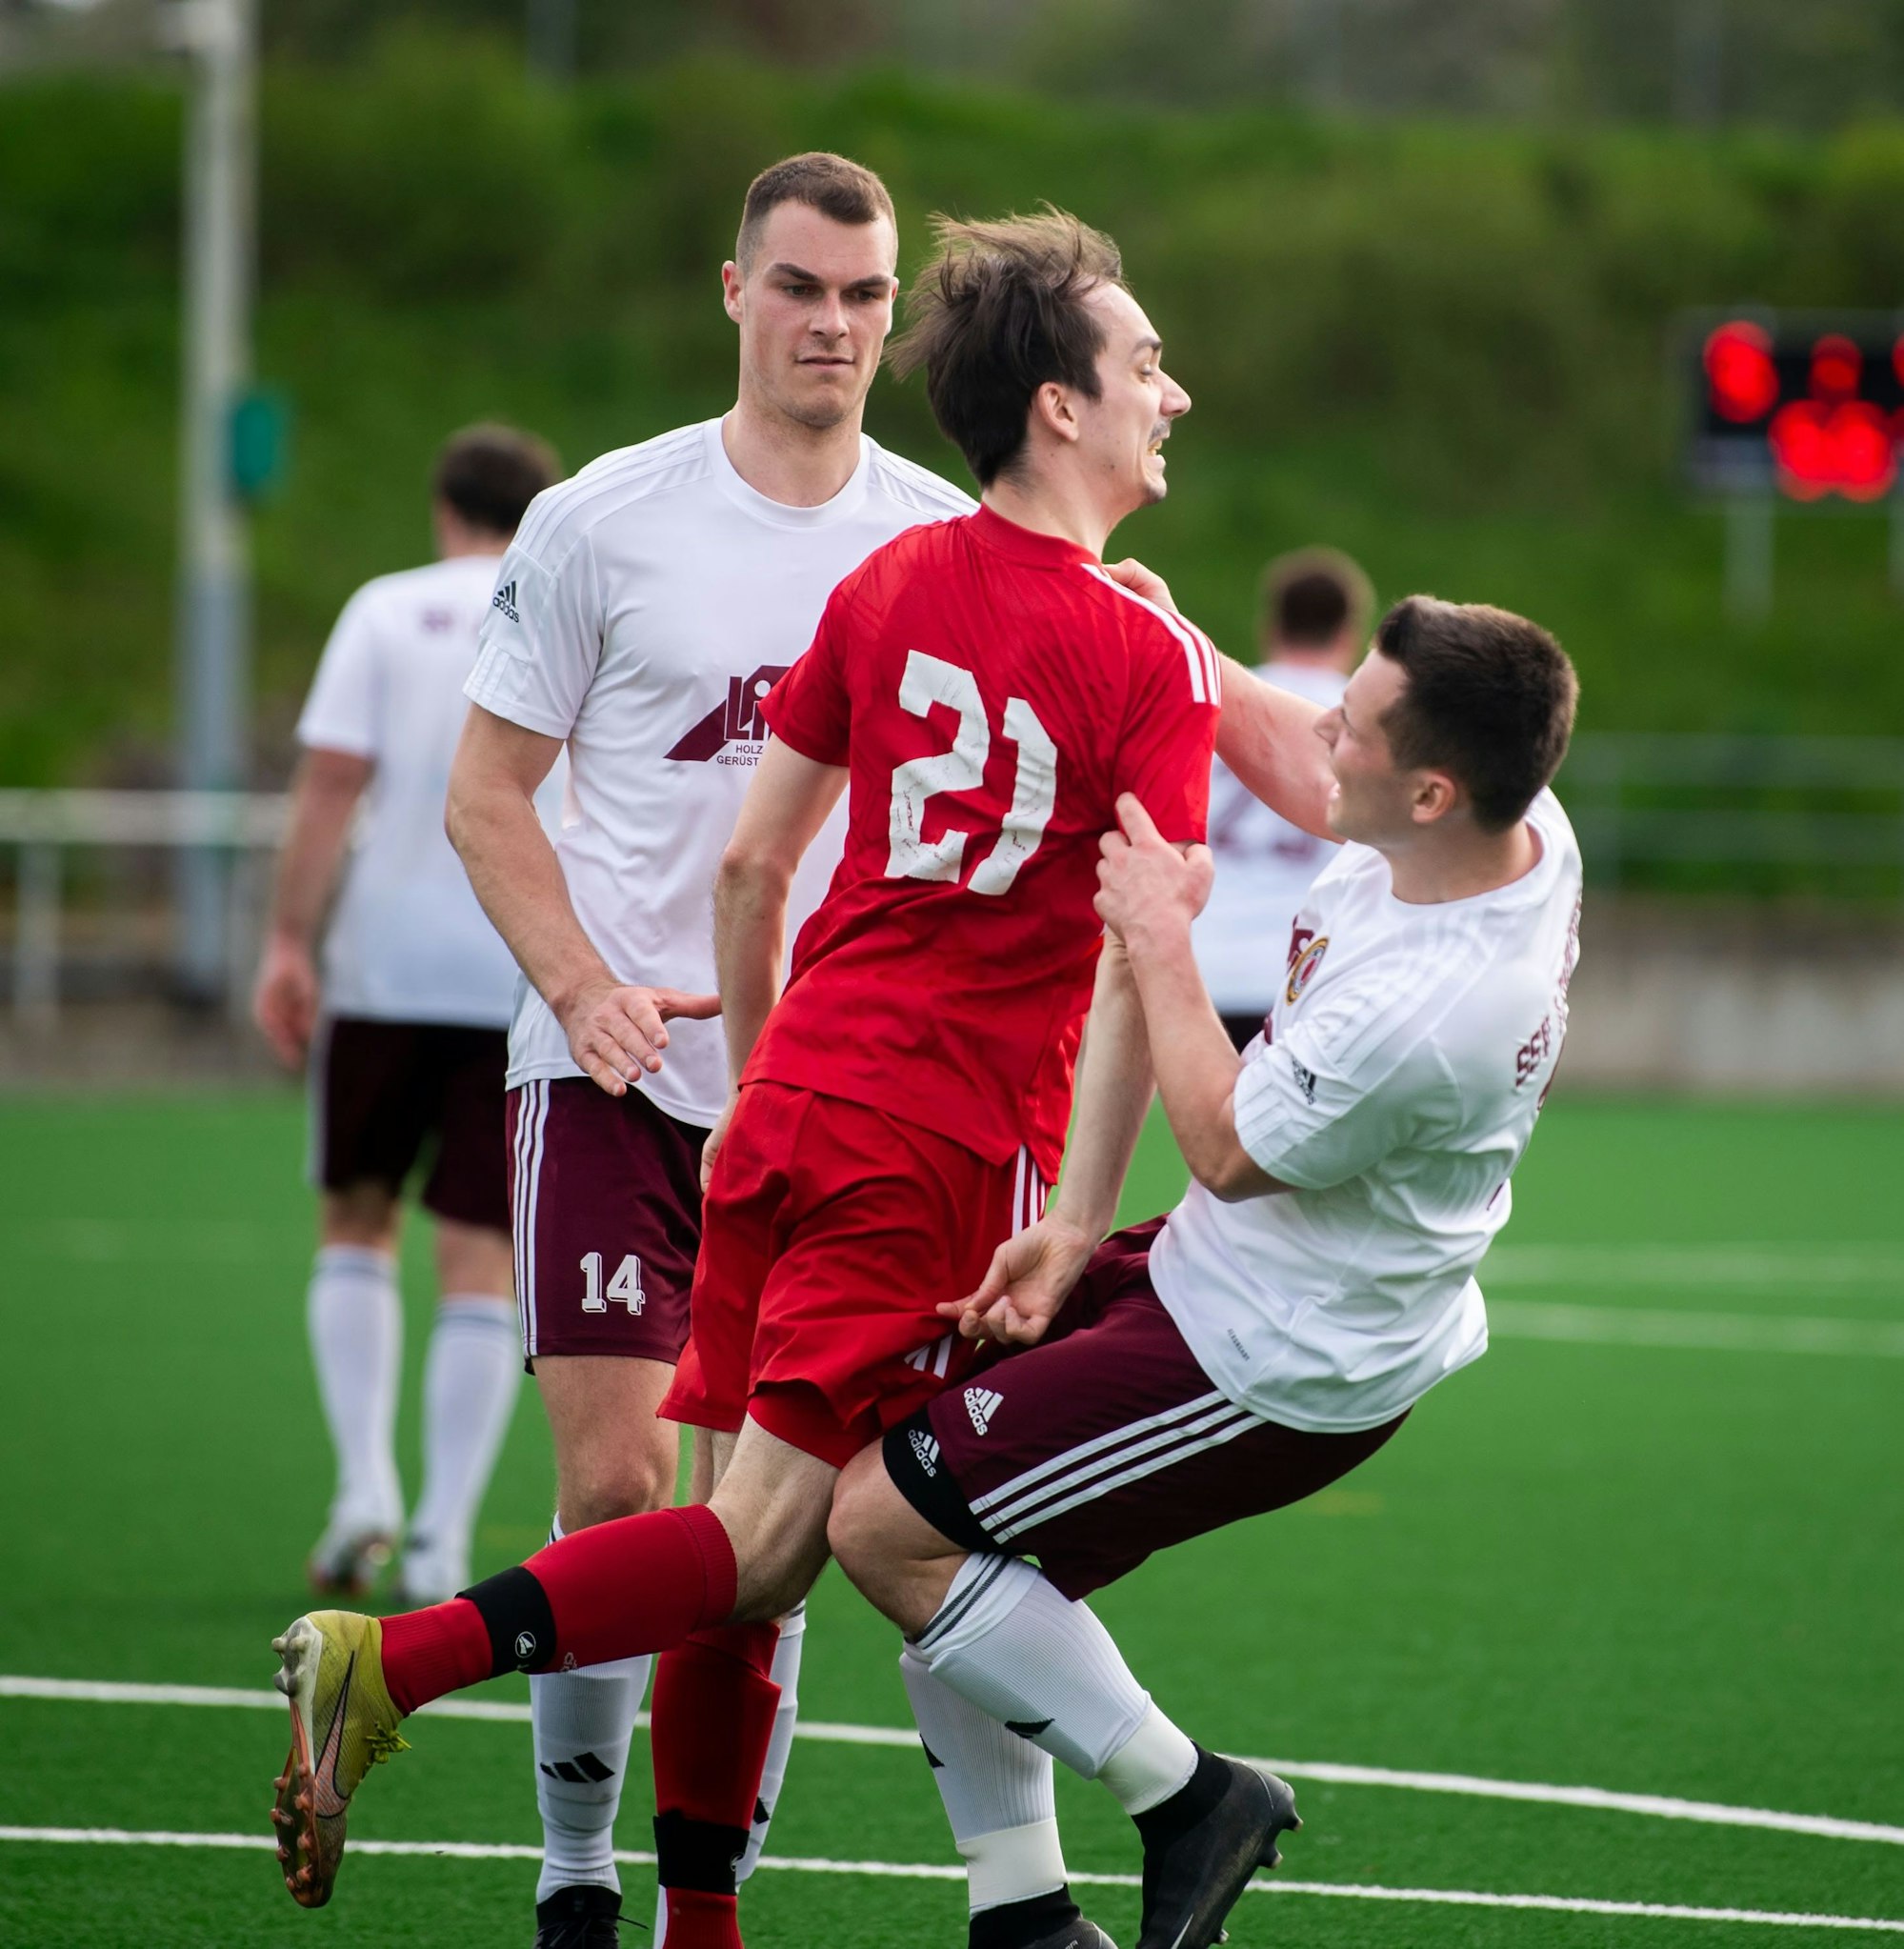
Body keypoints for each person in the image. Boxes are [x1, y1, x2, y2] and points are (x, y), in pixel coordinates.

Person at [262, 209, 1335, 1949]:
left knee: (755, 1526)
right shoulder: (1132, 651)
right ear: (1056, 406)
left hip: (786, 1089)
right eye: (1143, 364)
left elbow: (753, 874)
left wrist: (762, 1089)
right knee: (782, 1539)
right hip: (932, 1132)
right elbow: (1145, 950)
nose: (1173, 393)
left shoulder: (891, 575)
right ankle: (391, 1662)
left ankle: (755, 1919)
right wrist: (1070, 1214)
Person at [825, 593, 1583, 1949]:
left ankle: (1190, 1795)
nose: (1318, 735)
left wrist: (1161, 934)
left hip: (1265, 1358)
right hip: (1223, 1281)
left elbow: (1227, 1146)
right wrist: (1169, 638)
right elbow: (1290, 750)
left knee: (887, 1525)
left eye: (1348, 725)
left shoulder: (1431, 1006)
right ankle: (1024, 1921)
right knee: (970, 1572)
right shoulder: (1500, 825)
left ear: (1425, 787)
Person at [439, 154, 972, 1949]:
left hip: (831, 1105)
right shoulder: (600, 519)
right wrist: (582, 984)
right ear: (728, 290)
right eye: (801, 286)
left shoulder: (931, 542)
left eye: (864, 296)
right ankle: (572, 1874)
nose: (832, 323)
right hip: (608, 1079)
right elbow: (485, 795)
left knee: (772, 1530)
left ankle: (700, 1898)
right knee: (614, 1487)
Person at [252, 423, 561, 1606]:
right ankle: (438, 1532)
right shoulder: (560, 600)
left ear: (443, 509)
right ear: (537, 511)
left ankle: (364, 1484)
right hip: (514, 966)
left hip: (383, 965)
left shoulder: (385, 609)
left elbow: (332, 783)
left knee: (357, 1219)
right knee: (480, 1256)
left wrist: (289, 939)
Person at [1194, 546, 1373, 1050]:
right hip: (1308, 972)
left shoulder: (1216, 699)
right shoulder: (1367, 720)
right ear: (1350, 632)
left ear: (1272, 626)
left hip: (1205, 966)